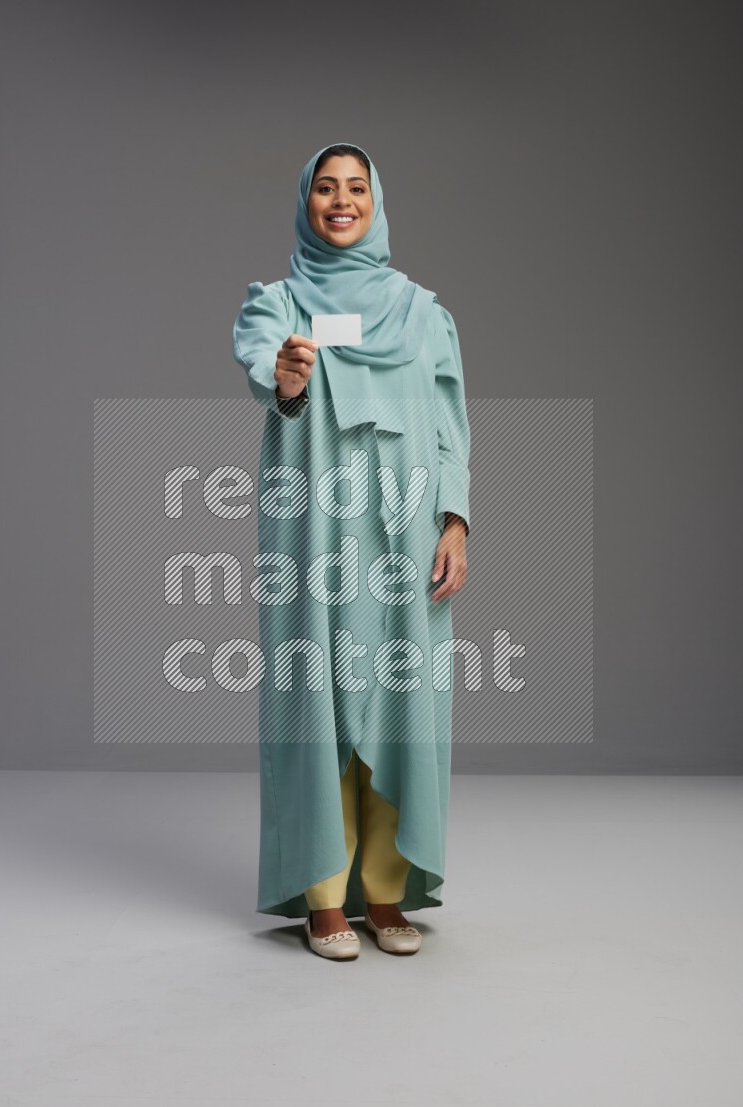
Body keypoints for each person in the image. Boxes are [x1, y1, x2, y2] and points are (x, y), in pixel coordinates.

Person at [232, 142, 471, 960]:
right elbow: (265, 370)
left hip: (408, 534)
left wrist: (456, 522)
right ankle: (324, 898)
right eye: (326, 189)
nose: (342, 201)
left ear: (376, 202)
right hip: (317, 536)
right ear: (306, 203)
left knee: (404, 706)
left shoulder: (424, 313)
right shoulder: (279, 304)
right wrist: (288, 378)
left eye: (356, 188)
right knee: (320, 703)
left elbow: (451, 428)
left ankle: (386, 889)